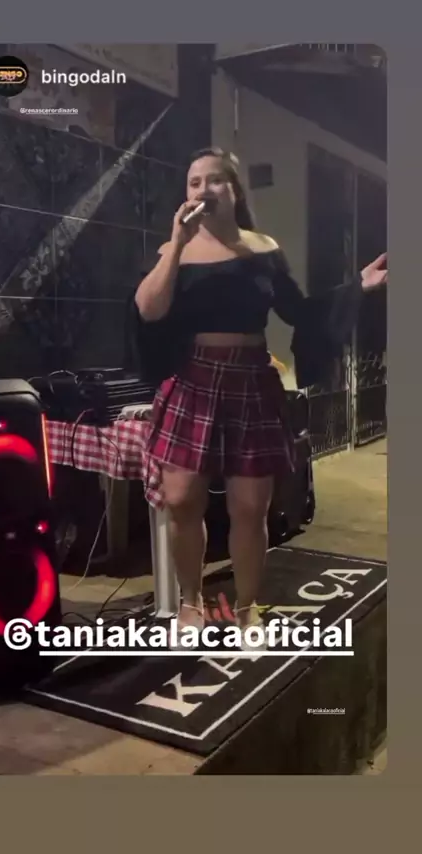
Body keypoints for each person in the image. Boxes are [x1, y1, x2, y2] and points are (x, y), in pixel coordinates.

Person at [129, 147, 387, 649]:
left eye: (214, 180)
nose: (203, 189)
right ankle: (190, 604)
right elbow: (148, 310)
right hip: (193, 382)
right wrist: (177, 244)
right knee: (180, 501)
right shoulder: (171, 251)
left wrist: (359, 284)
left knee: (250, 508)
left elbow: (300, 312)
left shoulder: (263, 249)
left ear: (234, 190)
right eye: (194, 182)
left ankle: (247, 610)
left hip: (251, 381)